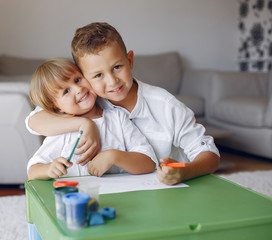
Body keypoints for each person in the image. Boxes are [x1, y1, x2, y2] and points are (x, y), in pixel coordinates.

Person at [27, 22, 220, 185]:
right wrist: (84, 124)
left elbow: (209, 154)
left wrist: (184, 172)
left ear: (130, 61)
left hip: (169, 187)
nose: (112, 82)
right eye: (98, 75)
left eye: (117, 67)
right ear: (85, 76)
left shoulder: (166, 105)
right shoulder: (86, 102)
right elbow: (34, 121)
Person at [26, 58, 156, 180]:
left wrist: (114, 156)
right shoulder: (63, 130)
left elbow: (149, 163)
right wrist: (48, 169)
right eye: (66, 91)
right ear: (57, 107)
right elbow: (33, 170)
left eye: (77, 79)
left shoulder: (118, 118)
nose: (78, 89)